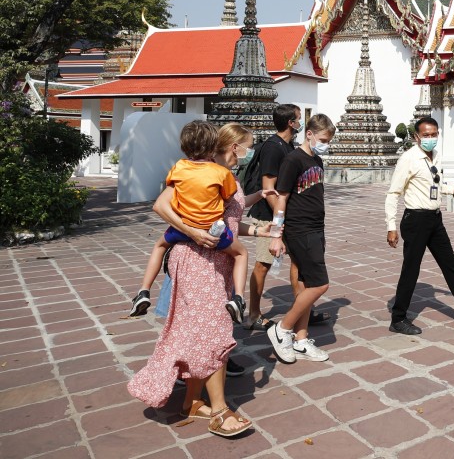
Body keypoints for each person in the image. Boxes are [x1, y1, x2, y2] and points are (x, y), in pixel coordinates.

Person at [127, 122, 275, 438]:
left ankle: (193, 402)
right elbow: (161, 205)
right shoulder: (198, 172)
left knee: (201, 330)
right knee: (215, 331)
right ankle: (220, 411)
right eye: (247, 146)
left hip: (218, 259)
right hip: (198, 260)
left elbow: (230, 224)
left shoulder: (225, 178)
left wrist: (260, 229)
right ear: (234, 146)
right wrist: (192, 231)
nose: (249, 153)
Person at [128, 121, 248, 323]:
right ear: (213, 146)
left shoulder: (179, 167)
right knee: (241, 253)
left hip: (182, 227)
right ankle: (238, 299)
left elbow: (171, 190)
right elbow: (228, 197)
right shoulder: (222, 173)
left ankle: (144, 290)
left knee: (159, 246)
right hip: (212, 229)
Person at [385, 117, 454, 336]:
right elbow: (394, 193)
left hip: (434, 218)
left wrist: (452, 190)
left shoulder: (435, 156)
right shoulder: (409, 158)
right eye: (426, 135)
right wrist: (391, 226)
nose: (431, 138)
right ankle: (398, 318)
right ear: (416, 136)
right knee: (411, 269)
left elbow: (435, 184)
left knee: (449, 263)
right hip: (415, 220)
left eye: (434, 134)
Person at [266, 113, 336, 363]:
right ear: (309, 134)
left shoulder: (317, 159)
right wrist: (276, 235)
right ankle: (282, 328)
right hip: (299, 229)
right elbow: (281, 197)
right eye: (323, 139)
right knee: (320, 284)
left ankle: (301, 340)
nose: (325, 144)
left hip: (317, 227)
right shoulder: (292, 160)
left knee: (306, 284)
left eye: (328, 140)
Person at [245, 103, 302, 332]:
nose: (301, 121)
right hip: (269, 216)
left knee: (299, 261)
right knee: (263, 263)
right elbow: (268, 187)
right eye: (299, 118)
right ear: (291, 122)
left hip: (287, 213)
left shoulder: (288, 146)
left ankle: (302, 309)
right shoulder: (273, 147)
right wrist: (279, 221)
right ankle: (254, 315)